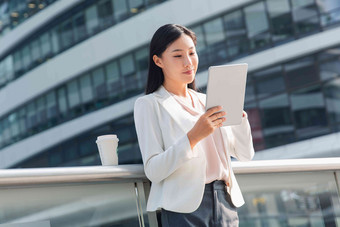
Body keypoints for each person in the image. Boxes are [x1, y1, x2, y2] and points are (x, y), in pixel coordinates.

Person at [133, 24, 254, 227]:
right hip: (184, 207)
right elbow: (153, 170)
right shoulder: (149, 105)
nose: (188, 62)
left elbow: (245, 155)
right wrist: (193, 137)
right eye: (178, 56)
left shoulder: (209, 101)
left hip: (225, 201)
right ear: (158, 60)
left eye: (192, 53)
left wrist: (240, 119)